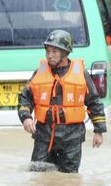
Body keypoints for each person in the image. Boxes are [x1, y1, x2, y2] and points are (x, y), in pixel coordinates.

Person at [17, 29, 106, 173]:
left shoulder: (81, 74)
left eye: (54, 52)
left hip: (72, 138)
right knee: (37, 175)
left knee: (69, 180)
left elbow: (94, 102)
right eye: (48, 51)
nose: (49, 56)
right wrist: (26, 118)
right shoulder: (39, 73)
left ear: (65, 53)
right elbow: (25, 98)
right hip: (44, 136)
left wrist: (99, 131)